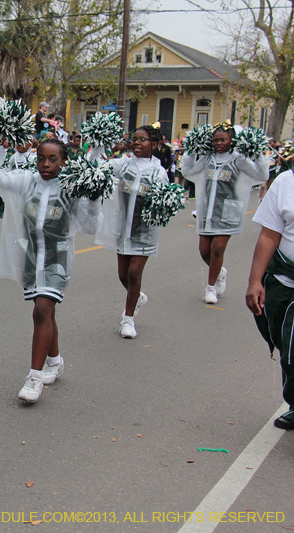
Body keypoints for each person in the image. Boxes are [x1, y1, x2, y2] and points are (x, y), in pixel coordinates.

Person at [0, 138, 101, 402]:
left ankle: (34, 377)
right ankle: (55, 360)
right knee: (45, 312)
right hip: (30, 258)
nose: (45, 165)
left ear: (64, 161)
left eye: (53, 159)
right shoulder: (26, 181)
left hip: (57, 258)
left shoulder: (72, 187)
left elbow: (90, 227)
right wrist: (0, 146)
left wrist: (92, 199)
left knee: (42, 310)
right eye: (41, 159)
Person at [181, 121, 269, 304]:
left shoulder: (239, 159)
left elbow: (261, 176)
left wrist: (258, 153)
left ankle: (210, 288)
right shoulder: (207, 158)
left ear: (232, 140)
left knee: (218, 249)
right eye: (215, 140)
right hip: (207, 212)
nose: (218, 143)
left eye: (223, 140)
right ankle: (220, 272)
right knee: (204, 251)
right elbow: (188, 171)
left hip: (227, 212)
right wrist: (191, 150)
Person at [95, 125, 168, 338]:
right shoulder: (124, 164)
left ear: (154, 144)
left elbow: (163, 202)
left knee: (135, 273)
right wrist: (98, 144)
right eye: (135, 139)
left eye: (142, 140)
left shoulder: (158, 172)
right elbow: (101, 167)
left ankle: (128, 319)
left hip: (144, 231)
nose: (137, 143)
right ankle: (137, 297)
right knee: (123, 275)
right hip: (123, 228)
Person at [246, 168, 294, 430]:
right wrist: (255, 281)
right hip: (285, 281)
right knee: (287, 345)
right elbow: (269, 235)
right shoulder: (286, 182)